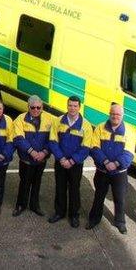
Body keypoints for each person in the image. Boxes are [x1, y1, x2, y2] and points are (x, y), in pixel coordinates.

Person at [86, 103, 134, 234]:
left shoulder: (128, 131)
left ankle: (120, 222)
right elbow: (94, 148)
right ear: (109, 114)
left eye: (118, 114)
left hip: (119, 173)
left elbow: (129, 154)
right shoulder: (100, 127)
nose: (115, 116)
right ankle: (94, 219)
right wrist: (106, 161)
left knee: (120, 198)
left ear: (122, 115)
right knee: (99, 196)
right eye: (113, 114)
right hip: (102, 171)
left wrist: (116, 164)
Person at [48, 95, 91, 228]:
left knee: (74, 190)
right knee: (60, 188)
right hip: (60, 162)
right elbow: (53, 141)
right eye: (70, 105)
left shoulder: (86, 126)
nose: (72, 108)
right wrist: (61, 158)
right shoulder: (58, 121)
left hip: (75, 164)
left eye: (75, 106)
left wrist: (72, 161)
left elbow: (86, 148)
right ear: (67, 106)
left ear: (79, 107)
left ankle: (74, 215)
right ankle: (59, 212)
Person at [12, 95, 55, 217]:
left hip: (41, 159)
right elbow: (19, 138)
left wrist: (44, 152)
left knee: (37, 182)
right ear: (28, 107)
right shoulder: (20, 119)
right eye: (33, 107)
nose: (36, 110)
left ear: (42, 107)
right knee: (24, 182)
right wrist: (32, 151)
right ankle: (20, 205)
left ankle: (34, 205)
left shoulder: (50, 119)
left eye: (38, 107)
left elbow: (53, 138)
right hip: (26, 159)